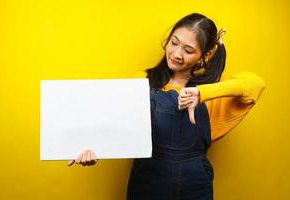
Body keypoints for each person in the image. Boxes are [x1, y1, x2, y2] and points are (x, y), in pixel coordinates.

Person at [67, 13, 265, 200]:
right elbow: (116, 128)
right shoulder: (141, 82)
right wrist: (94, 151)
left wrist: (201, 93)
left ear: (205, 54)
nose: (176, 54)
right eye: (174, 43)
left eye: (188, 50)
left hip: (195, 185)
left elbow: (256, 84)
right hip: (147, 181)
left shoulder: (213, 95)